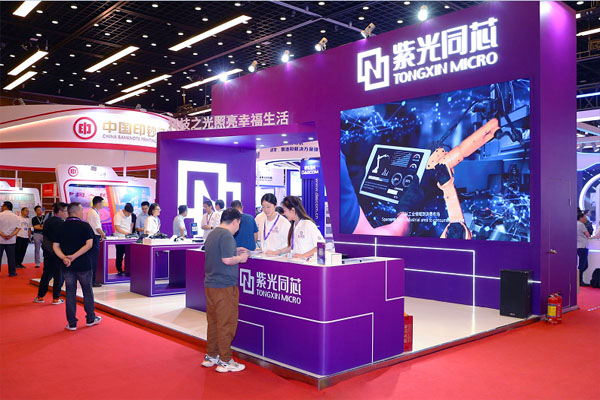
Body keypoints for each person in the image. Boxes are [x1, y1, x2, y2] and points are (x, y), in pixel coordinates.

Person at [201, 207, 249, 373]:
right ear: (235, 221)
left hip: (210, 284)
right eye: (239, 224)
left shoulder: (213, 233)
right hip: (225, 286)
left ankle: (211, 356)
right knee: (226, 323)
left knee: (213, 322)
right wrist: (241, 258)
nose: (238, 227)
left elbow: (220, 254)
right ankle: (226, 360)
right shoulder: (227, 236)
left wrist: (234, 251)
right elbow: (227, 260)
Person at [54, 202, 101, 331]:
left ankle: (72, 323)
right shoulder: (85, 226)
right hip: (84, 264)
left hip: (67, 265)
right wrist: (74, 256)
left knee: (70, 292)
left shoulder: (61, 226)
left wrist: (64, 257)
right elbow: (89, 244)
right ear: (76, 212)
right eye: (81, 210)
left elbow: (55, 246)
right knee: (87, 291)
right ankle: (90, 318)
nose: (83, 212)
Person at [34, 202, 68, 304]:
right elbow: (60, 239)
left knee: (47, 274)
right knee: (59, 276)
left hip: (47, 251)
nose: (67, 213)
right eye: (66, 211)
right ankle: (56, 298)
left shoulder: (48, 221)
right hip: (56, 252)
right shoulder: (60, 223)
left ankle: (40, 296)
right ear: (60, 211)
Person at [86, 196, 105, 287]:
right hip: (94, 237)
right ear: (98, 203)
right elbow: (97, 228)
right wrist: (103, 235)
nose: (103, 205)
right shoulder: (93, 213)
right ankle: (92, 281)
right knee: (93, 260)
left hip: (92, 236)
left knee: (92, 259)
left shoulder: (92, 211)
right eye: (102, 203)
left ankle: (91, 280)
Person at [577, 211, 598, 286]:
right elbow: (588, 235)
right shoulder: (581, 225)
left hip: (578, 246)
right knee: (583, 264)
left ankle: (578, 279)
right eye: (584, 217)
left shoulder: (575, 224)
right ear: (581, 218)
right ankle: (579, 280)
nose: (586, 219)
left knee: (583, 264)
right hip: (583, 246)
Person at [0, 201, 21, 277]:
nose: (1, 207)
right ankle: (12, 272)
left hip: (0, 239)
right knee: (11, 257)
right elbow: (18, 228)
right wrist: (11, 235)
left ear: (5, 206)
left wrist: (3, 234)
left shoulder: (0, 215)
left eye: (2, 206)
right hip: (11, 240)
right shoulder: (16, 217)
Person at [113, 203, 134, 275]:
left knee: (128, 254)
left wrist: (130, 233)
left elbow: (129, 225)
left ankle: (127, 269)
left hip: (128, 238)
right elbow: (117, 228)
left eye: (130, 213)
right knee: (120, 254)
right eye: (128, 213)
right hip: (120, 238)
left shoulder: (130, 215)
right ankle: (119, 269)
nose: (129, 215)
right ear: (124, 210)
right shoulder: (118, 215)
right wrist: (126, 233)